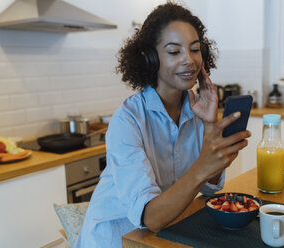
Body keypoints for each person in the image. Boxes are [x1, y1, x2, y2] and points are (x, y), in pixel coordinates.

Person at [75, 2, 251, 247]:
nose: (189, 61)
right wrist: (204, 164)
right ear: (149, 58)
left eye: (195, 49)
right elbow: (151, 218)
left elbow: (209, 189)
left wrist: (211, 127)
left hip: (161, 235)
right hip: (116, 238)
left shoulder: (197, 111)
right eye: (174, 51)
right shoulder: (127, 120)